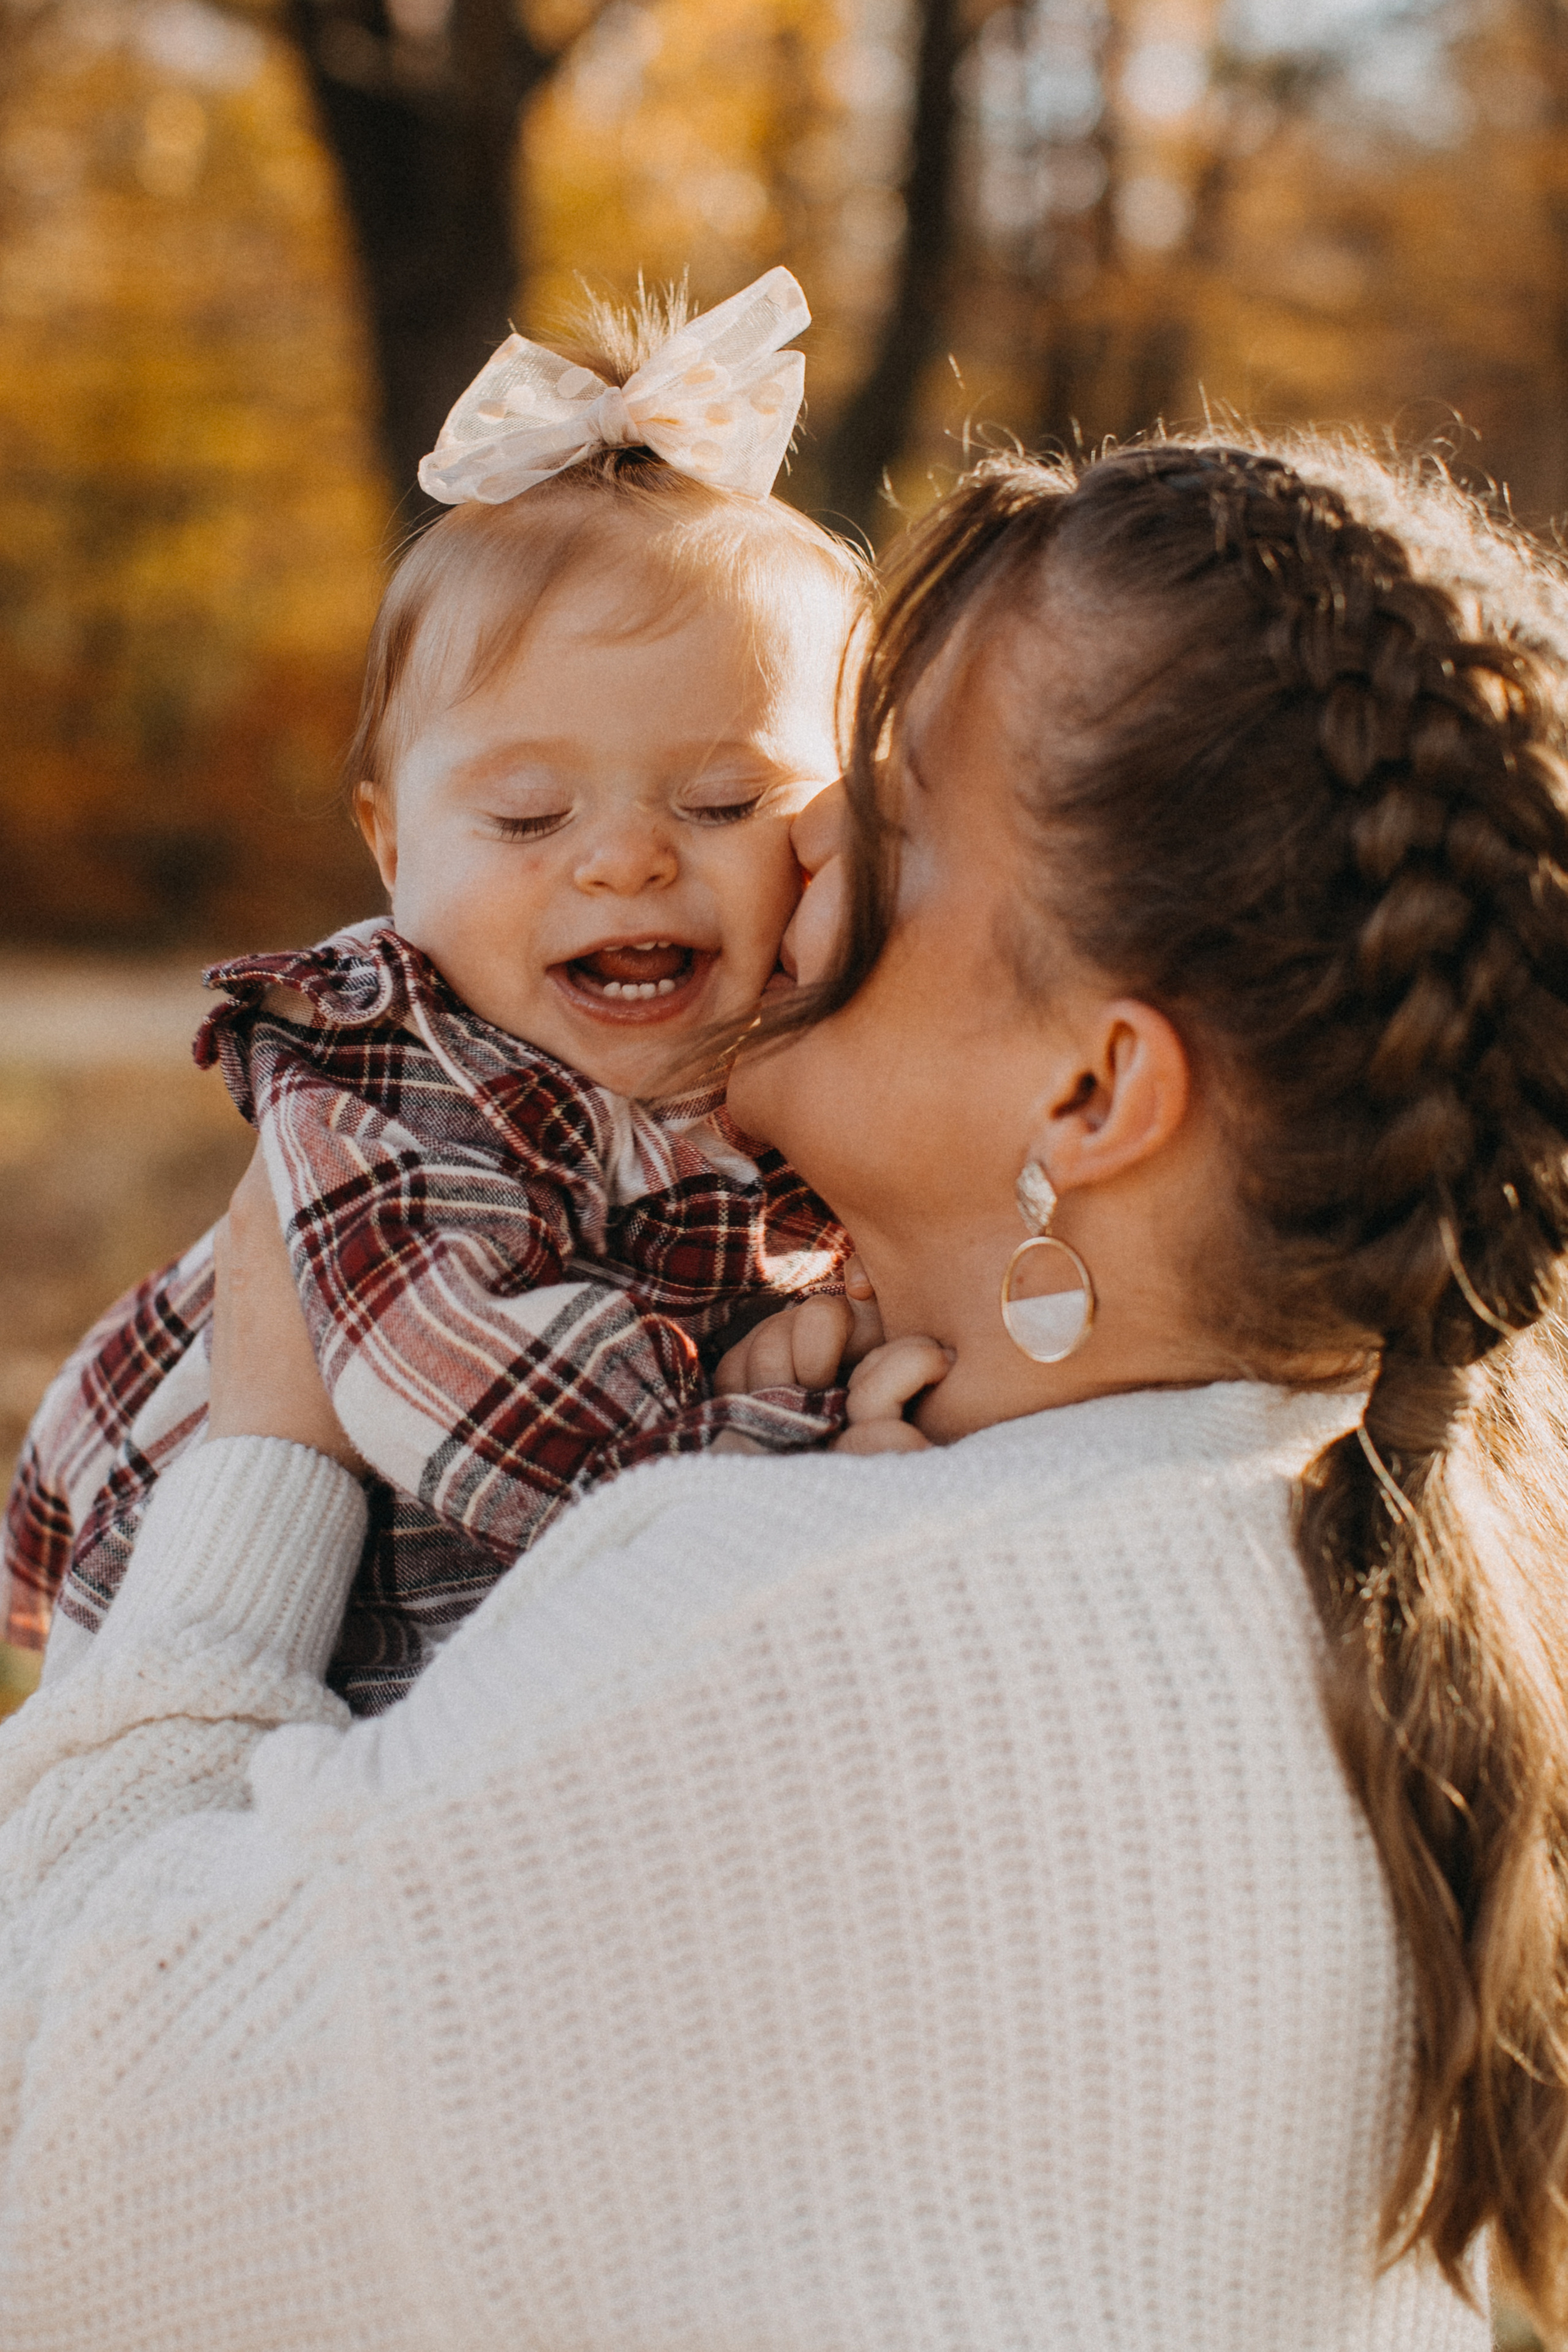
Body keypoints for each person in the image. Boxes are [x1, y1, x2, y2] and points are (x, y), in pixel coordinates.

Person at [4, 432, 1567, 2351]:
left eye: (882, 820)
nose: (794, 866)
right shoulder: (1346, 1558)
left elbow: (51, 2158)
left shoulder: (773, 1638)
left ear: (1088, 1095)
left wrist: (265, 1447)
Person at [2, 268, 876, 1714]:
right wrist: (772, 1420)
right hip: (234, 1619)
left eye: (725, 803)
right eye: (529, 819)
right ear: (391, 852)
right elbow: (476, 1409)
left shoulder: (809, 1061)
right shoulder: (384, 1073)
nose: (624, 863)